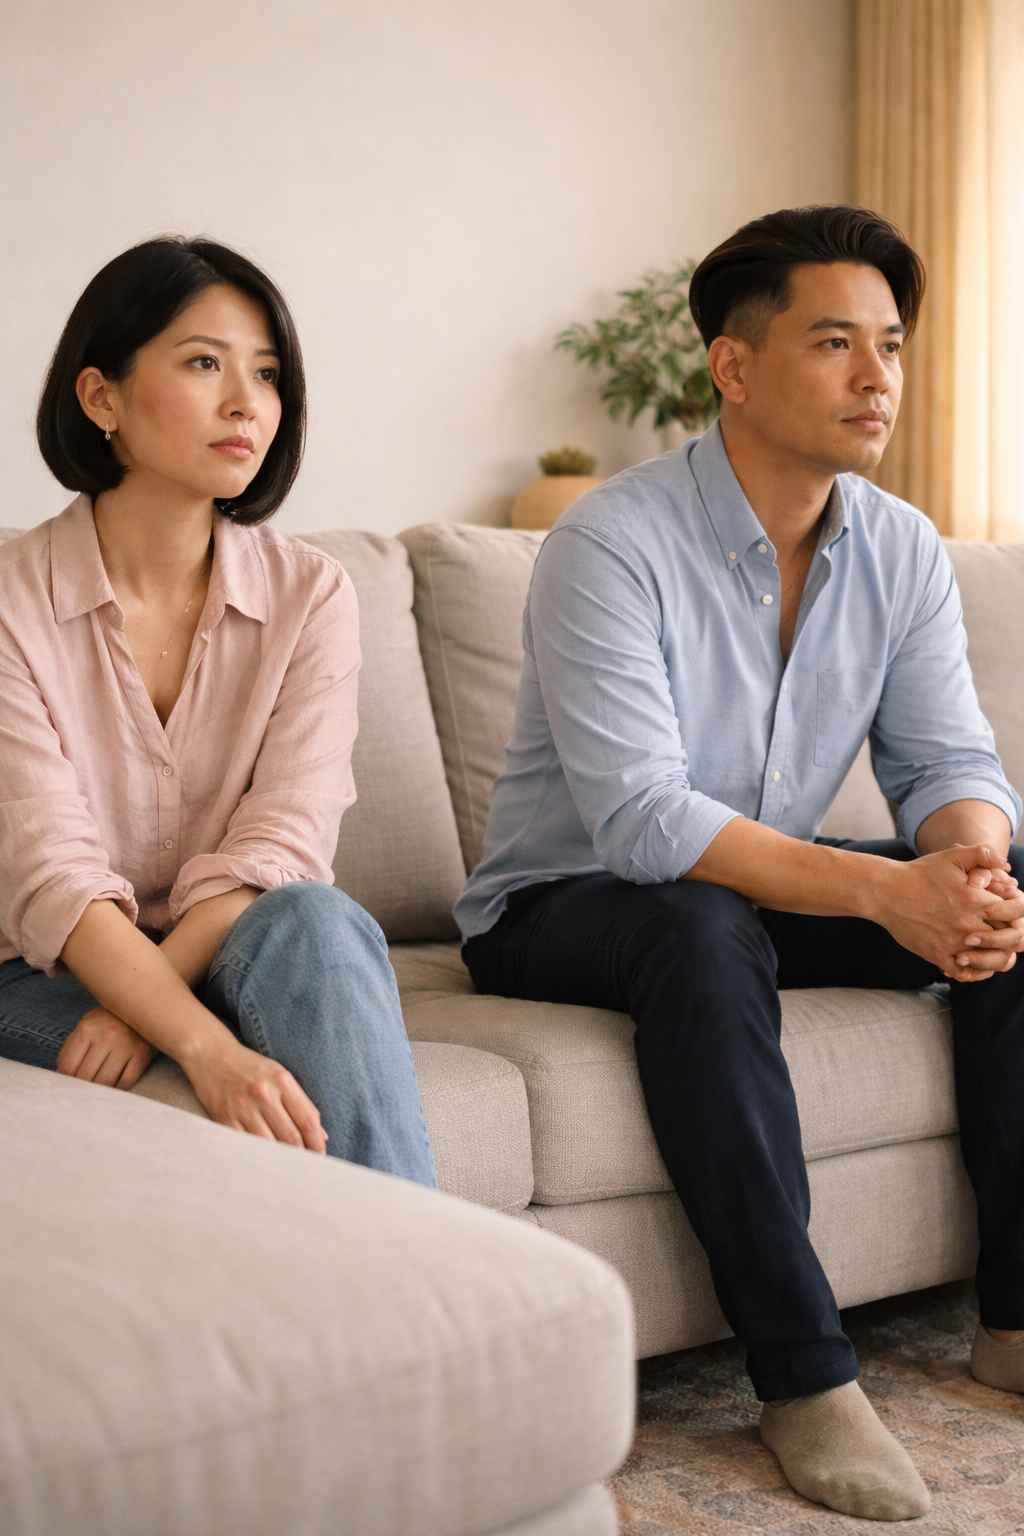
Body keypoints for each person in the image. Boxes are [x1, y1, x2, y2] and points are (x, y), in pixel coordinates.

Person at [456, 205, 1024, 1520]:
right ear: (733, 364)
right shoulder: (608, 544)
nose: (877, 377)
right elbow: (645, 823)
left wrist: (969, 878)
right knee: (698, 921)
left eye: (890, 345)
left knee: (1012, 891)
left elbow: (948, 762)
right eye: (834, 343)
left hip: (749, 889)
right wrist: (887, 892)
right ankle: (804, 1376)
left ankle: (1012, 1321)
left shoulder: (900, 548)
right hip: (563, 905)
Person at [0, 237, 435, 1190]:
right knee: (230, 1115)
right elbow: (51, 877)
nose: (248, 403)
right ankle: (424, 1277)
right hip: (38, 971)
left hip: (230, 952)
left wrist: (153, 1012)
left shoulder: (312, 594)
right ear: (100, 397)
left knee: (316, 919)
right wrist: (204, 1048)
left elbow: (282, 845)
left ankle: (417, 1276)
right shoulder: (9, 604)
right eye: (205, 363)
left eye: (267, 374)